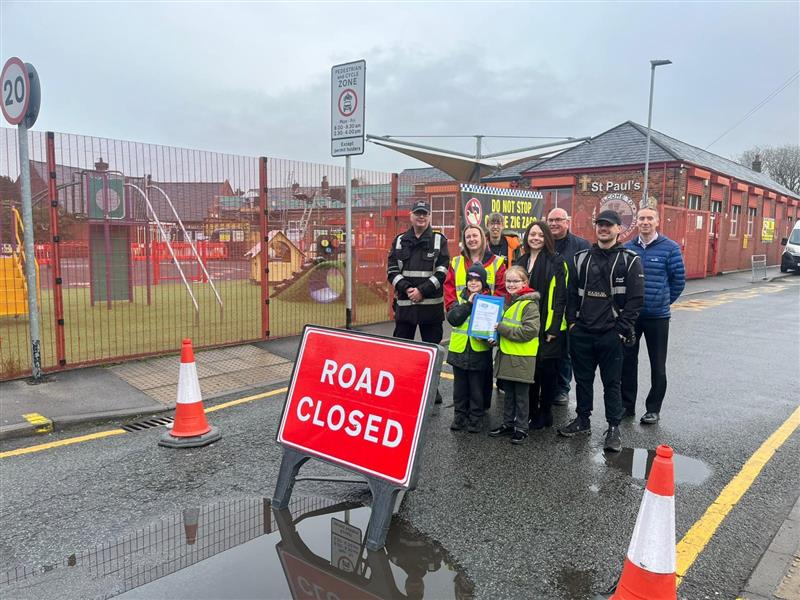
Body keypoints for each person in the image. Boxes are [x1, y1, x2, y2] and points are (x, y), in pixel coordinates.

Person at [557, 210, 644, 452]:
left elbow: (636, 300)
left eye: (609, 225)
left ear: (619, 229)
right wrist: (572, 324)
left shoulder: (630, 260)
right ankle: (582, 420)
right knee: (583, 381)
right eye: (600, 225)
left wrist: (620, 330)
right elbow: (571, 294)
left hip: (611, 334)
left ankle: (613, 428)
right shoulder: (581, 258)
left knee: (612, 383)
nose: (603, 229)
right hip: (582, 332)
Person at [621, 206, 686, 424]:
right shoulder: (627, 248)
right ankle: (626, 406)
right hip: (631, 317)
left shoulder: (670, 248)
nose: (645, 222)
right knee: (627, 362)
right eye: (641, 218)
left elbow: (678, 281)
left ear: (657, 221)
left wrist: (663, 301)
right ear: (636, 222)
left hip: (657, 317)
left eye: (650, 218)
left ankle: (653, 409)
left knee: (658, 365)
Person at [387, 200, 450, 403]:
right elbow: (391, 271)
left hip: (431, 310)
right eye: (417, 213)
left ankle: (432, 389)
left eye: (424, 213)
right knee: (402, 351)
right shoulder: (399, 241)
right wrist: (408, 289)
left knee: (432, 352)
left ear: (429, 216)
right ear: (411, 216)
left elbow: (442, 271)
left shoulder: (439, 240)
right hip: (405, 308)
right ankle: (402, 386)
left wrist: (422, 291)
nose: (421, 217)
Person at [444, 224, 506, 409]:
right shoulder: (456, 262)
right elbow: (449, 289)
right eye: (468, 236)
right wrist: (454, 309)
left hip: (485, 325)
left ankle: (480, 410)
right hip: (462, 320)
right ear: (464, 241)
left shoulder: (497, 262)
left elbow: (502, 291)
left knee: (482, 373)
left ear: (483, 238)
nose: (471, 239)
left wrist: (491, 319)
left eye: (475, 235)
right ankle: (463, 412)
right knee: (462, 379)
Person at [515, 221, 568, 430]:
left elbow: (560, 297)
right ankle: (532, 412)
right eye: (532, 234)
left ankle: (546, 413)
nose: (535, 238)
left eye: (540, 235)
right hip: (527, 326)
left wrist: (553, 328)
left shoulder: (557, 261)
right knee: (531, 371)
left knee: (547, 372)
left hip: (548, 327)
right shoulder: (521, 260)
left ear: (546, 238)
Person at [488, 265, 540, 445]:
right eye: (508, 281)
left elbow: (529, 332)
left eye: (515, 281)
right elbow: (511, 329)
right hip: (508, 355)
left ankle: (522, 428)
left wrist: (501, 329)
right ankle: (508, 424)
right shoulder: (512, 302)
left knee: (521, 397)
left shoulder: (529, 304)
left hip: (522, 358)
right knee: (509, 394)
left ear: (525, 283)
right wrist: (496, 340)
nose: (511, 284)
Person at [547, 208, 591, 406]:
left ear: (567, 222)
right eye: (551, 220)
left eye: (558, 220)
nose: (554, 223)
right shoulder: (543, 242)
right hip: (548, 304)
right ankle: (546, 386)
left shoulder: (581, 246)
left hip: (571, 305)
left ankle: (562, 388)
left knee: (566, 350)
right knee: (548, 347)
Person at [445, 263, 493, 433]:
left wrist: (492, 339)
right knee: (459, 389)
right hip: (459, 350)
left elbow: (494, 325)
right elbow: (453, 318)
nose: (473, 282)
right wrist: (468, 304)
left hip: (479, 351)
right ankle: (459, 416)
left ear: (483, 283)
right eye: (470, 279)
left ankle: (476, 418)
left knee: (476, 389)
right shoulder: (459, 299)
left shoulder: (490, 301)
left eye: (477, 280)